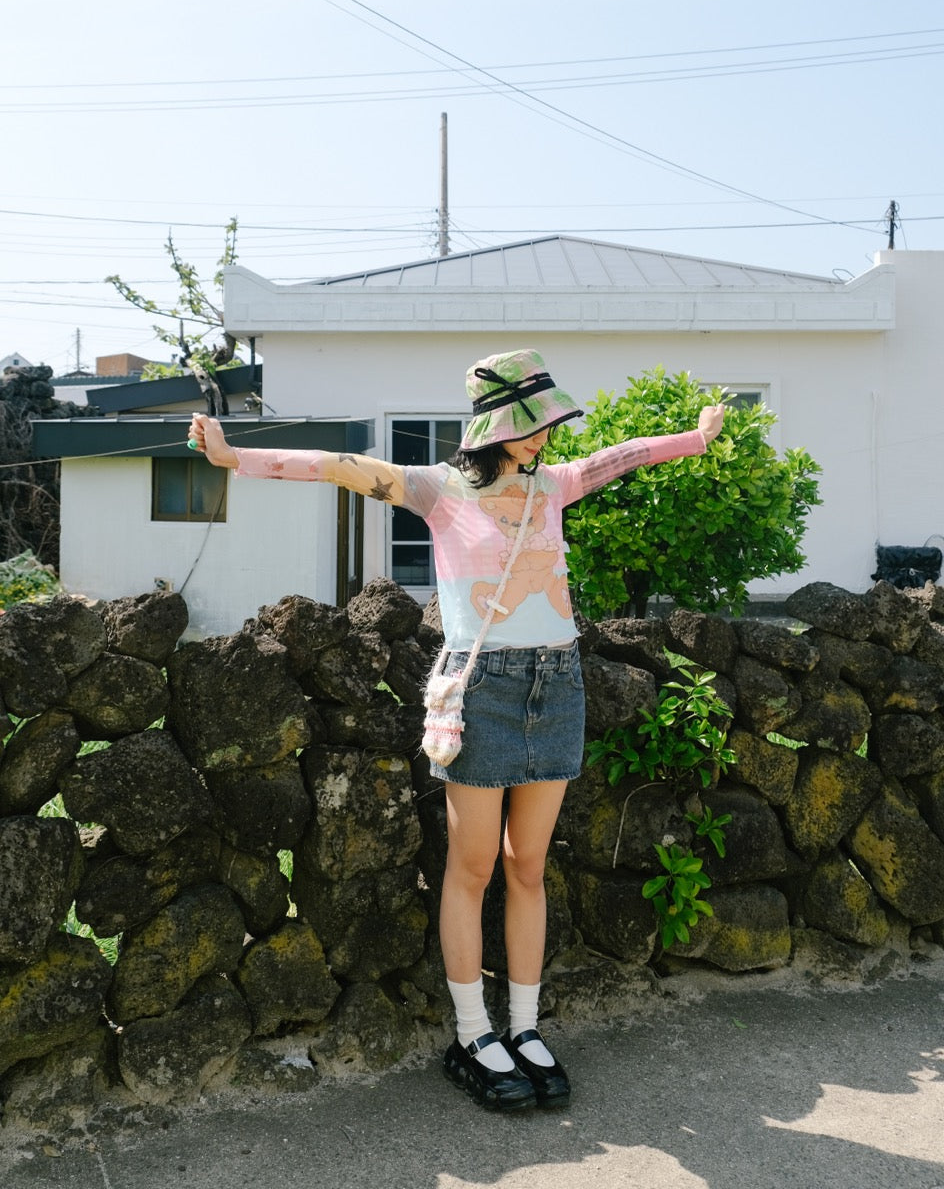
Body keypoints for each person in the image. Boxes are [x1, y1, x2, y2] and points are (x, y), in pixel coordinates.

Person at [189, 347, 724, 1113]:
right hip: (484, 690)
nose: (546, 437)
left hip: (558, 684)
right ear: (496, 426)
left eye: (548, 424)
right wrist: (235, 457)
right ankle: (474, 1034)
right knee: (471, 869)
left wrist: (696, 438)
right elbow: (339, 466)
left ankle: (525, 1028)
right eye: (532, 425)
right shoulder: (439, 490)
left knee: (528, 866)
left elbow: (622, 456)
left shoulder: (554, 485)